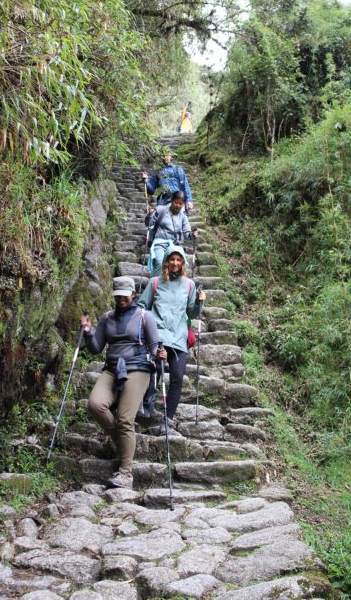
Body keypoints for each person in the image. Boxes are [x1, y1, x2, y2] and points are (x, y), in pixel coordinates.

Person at [81, 276, 166, 489]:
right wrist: (88, 332)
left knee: (124, 418)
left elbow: (154, 347)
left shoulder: (145, 317)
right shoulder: (106, 318)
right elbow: (96, 348)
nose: (120, 299)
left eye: (124, 296)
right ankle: (123, 442)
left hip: (138, 368)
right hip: (112, 369)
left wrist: (160, 354)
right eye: (117, 296)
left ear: (133, 295)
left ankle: (126, 473)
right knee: (95, 404)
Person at [137, 245, 206, 434]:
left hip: (179, 338)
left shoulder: (189, 285)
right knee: (154, 372)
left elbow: (191, 313)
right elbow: (142, 306)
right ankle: (146, 406)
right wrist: (148, 324)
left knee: (177, 378)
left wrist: (200, 302)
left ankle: (168, 418)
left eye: (179, 259)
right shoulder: (155, 282)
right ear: (166, 260)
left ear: (183, 262)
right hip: (158, 336)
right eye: (172, 259)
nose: (175, 263)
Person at [146, 191, 198, 277]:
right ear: (171, 201)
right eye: (176, 202)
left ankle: (177, 286)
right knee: (160, 263)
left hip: (175, 245)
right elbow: (148, 223)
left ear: (184, 204)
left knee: (182, 265)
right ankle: (156, 286)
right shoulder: (160, 209)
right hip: (160, 243)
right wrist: (150, 214)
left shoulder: (183, 216)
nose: (178, 205)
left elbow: (187, 233)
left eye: (180, 204)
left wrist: (192, 234)